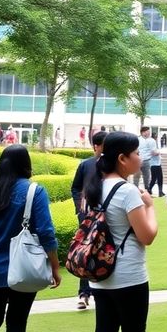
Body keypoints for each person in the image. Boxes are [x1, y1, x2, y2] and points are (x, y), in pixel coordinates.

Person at [0, 145, 62, 332]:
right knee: (17, 321)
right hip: (25, 267)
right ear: (27, 165)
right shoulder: (35, 192)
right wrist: (55, 266)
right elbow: (46, 232)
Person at [85, 132, 158, 332]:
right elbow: (147, 236)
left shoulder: (94, 186)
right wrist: (150, 207)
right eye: (136, 153)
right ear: (122, 158)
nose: (140, 157)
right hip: (128, 276)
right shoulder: (127, 191)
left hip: (99, 276)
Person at [70, 131, 107, 310]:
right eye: (104, 145)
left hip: (107, 217)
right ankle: (84, 293)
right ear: (96, 146)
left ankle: (102, 293)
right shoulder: (86, 165)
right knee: (86, 253)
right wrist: (80, 208)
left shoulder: (114, 165)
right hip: (87, 218)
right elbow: (75, 188)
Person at [133, 127, 155, 191]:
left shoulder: (151, 140)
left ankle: (147, 189)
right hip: (138, 160)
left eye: (149, 131)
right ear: (143, 132)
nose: (149, 133)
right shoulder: (138, 139)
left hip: (147, 160)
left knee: (147, 176)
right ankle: (135, 188)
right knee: (137, 175)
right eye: (147, 131)